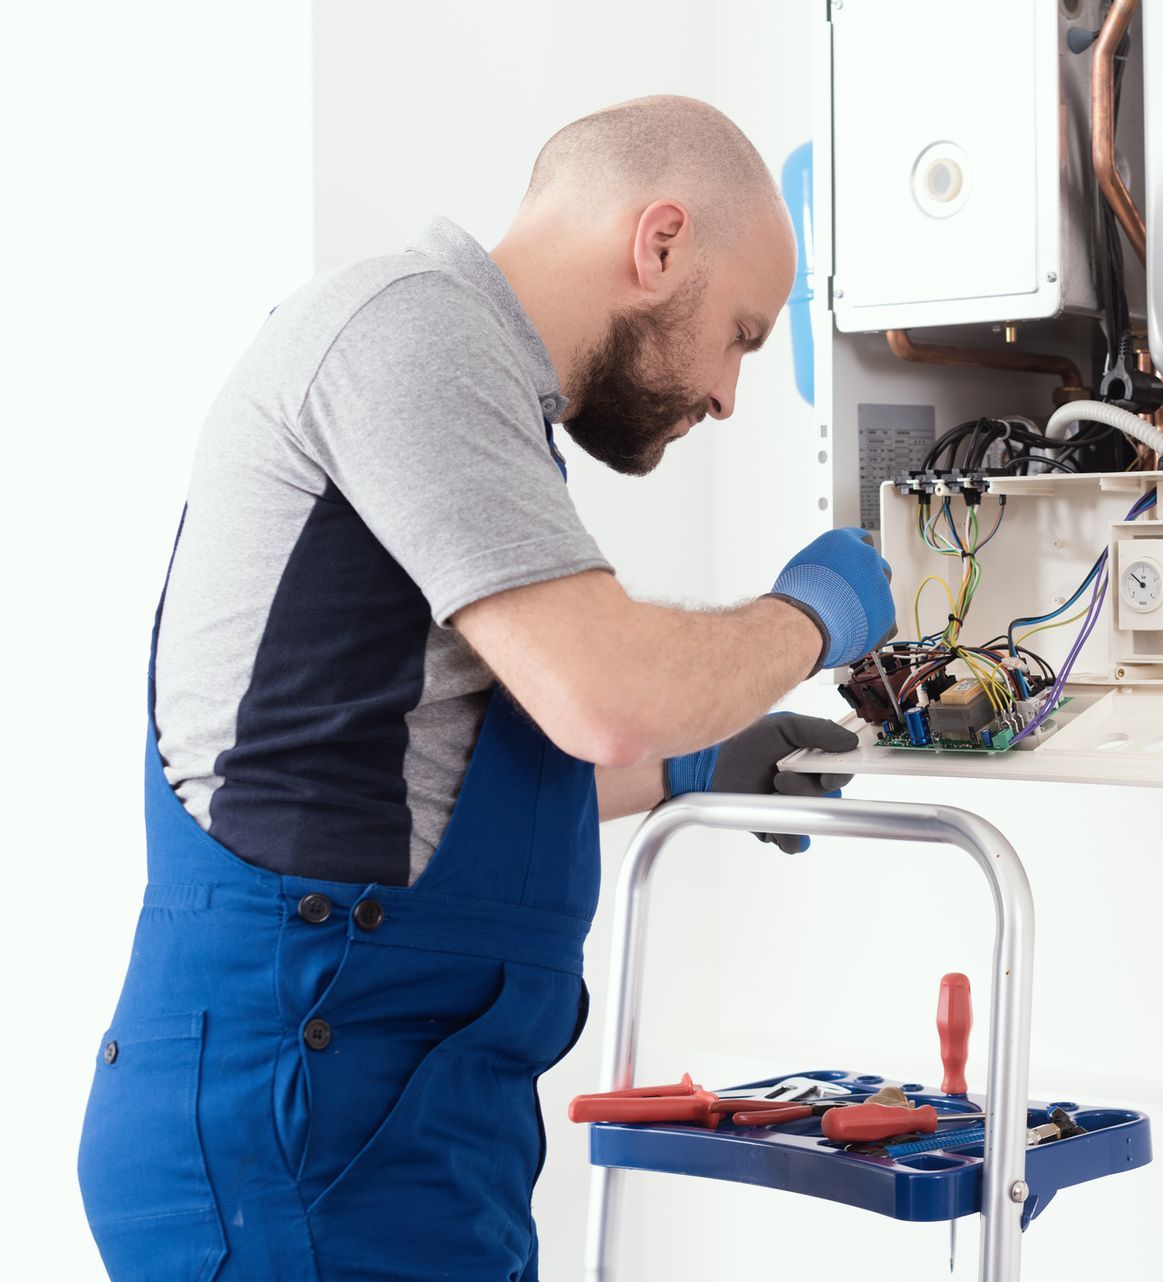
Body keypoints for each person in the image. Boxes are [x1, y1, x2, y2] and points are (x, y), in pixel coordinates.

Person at [76, 95, 892, 1281]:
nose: (727, 395)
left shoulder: (474, 390)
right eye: (741, 336)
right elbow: (604, 690)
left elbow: (425, 764)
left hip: (391, 1128)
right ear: (659, 242)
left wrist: (700, 763)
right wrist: (811, 616)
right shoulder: (412, 335)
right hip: (296, 1128)